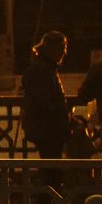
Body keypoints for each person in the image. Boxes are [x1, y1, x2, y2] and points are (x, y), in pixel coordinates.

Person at [20, 31, 73, 159]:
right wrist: (63, 119)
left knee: (50, 163)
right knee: (52, 163)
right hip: (48, 129)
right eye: (62, 48)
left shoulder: (42, 67)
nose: (64, 52)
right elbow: (44, 102)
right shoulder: (42, 70)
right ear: (52, 49)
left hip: (45, 128)